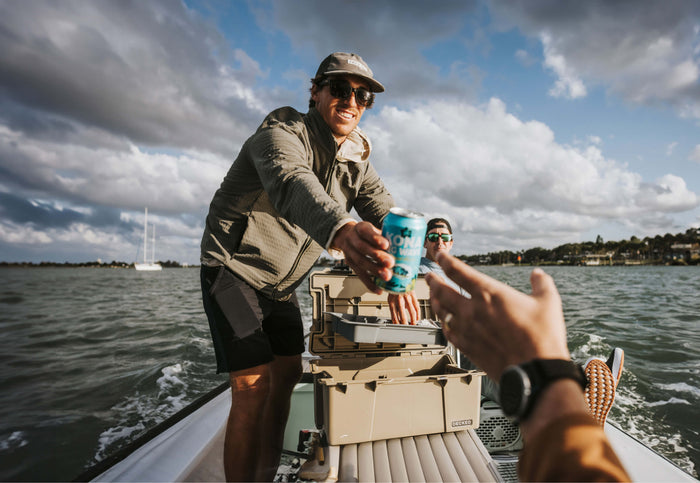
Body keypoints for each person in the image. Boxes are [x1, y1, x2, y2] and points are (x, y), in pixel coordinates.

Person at [199, 52, 417, 481]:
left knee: (287, 375)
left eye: (362, 95)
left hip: (281, 287)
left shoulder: (357, 162)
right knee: (253, 386)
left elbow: (387, 213)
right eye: (339, 89)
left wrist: (419, 254)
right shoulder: (280, 134)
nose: (351, 100)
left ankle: (264, 473)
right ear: (315, 91)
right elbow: (292, 183)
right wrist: (340, 229)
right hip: (233, 272)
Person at [425, 252, 631, 481]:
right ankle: (567, 395)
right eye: (432, 234)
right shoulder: (413, 269)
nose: (439, 240)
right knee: (479, 360)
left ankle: (561, 394)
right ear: (424, 242)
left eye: (444, 234)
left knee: (482, 360)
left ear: (451, 241)